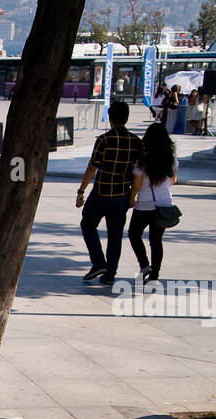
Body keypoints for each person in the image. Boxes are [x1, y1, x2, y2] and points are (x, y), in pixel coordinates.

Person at [76, 100, 141, 285]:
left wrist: (81, 190)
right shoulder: (136, 142)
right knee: (115, 234)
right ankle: (110, 273)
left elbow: (92, 168)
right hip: (122, 194)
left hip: (101, 192)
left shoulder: (104, 140)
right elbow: (138, 171)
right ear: (127, 118)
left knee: (88, 224)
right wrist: (133, 195)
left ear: (110, 118)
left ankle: (98, 262)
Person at [127, 121, 177, 284]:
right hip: (163, 204)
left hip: (144, 204)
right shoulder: (171, 158)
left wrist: (132, 197)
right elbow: (173, 179)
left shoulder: (143, 159)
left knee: (134, 234)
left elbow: (136, 184)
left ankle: (144, 264)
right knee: (156, 241)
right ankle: (155, 273)